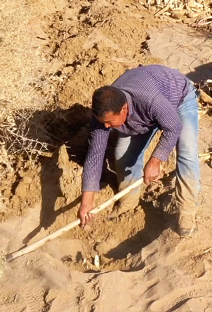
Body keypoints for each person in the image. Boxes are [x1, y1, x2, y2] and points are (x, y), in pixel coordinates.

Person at [79, 65, 201, 236]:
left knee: (187, 152)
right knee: (123, 156)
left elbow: (173, 126)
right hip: (144, 115)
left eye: (109, 122)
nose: (106, 127)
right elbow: (95, 155)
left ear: (124, 109)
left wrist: (156, 160)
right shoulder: (103, 115)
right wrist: (87, 201)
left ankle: (187, 212)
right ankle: (129, 203)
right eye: (103, 122)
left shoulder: (149, 100)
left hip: (179, 99)